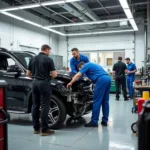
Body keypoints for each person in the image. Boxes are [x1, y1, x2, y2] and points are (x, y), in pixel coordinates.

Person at [67, 62, 111, 127]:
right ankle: (105, 121)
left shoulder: (86, 65)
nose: (81, 71)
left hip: (101, 80)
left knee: (97, 102)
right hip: (108, 79)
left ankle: (94, 122)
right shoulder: (93, 65)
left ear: (81, 66)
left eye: (80, 69)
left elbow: (77, 75)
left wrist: (70, 82)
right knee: (105, 102)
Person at [26, 44, 57, 136]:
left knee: (35, 105)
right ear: (46, 50)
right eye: (49, 51)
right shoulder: (49, 59)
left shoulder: (32, 59)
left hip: (34, 83)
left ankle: (36, 128)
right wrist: (47, 77)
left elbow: (28, 74)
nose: (49, 53)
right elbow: (54, 75)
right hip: (44, 83)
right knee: (44, 106)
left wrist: (35, 78)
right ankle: (44, 130)